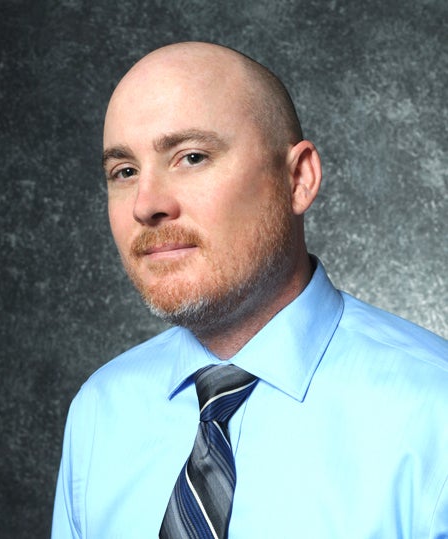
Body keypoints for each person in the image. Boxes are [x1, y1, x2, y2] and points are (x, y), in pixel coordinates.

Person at [51, 41, 448, 538]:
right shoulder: (100, 413)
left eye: (191, 157)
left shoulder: (435, 413)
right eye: (124, 172)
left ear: (298, 179)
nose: (146, 205)